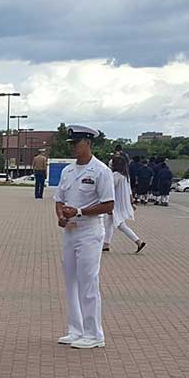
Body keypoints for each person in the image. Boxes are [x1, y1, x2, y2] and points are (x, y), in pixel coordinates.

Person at [55, 125, 114, 349]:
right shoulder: (68, 171)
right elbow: (59, 199)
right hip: (70, 231)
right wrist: (61, 215)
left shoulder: (100, 171)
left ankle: (94, 334)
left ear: (88, 143)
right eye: (71, 144)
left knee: (88, 282)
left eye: (76, 144)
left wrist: (79, 212)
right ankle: (75, 329)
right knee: (71, 281)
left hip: (89, 230)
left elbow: (109, 204)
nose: (73, 148)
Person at [104, 155, 145, 254]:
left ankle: (138, 241)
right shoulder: (125, 176)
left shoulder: (115, 176)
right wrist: (131, 202)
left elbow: (110, 190)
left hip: (115, 204)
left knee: (120, 225)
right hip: (120, 204)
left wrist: (108, 203)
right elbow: (129, 191)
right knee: (110, 223)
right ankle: (106, 244)